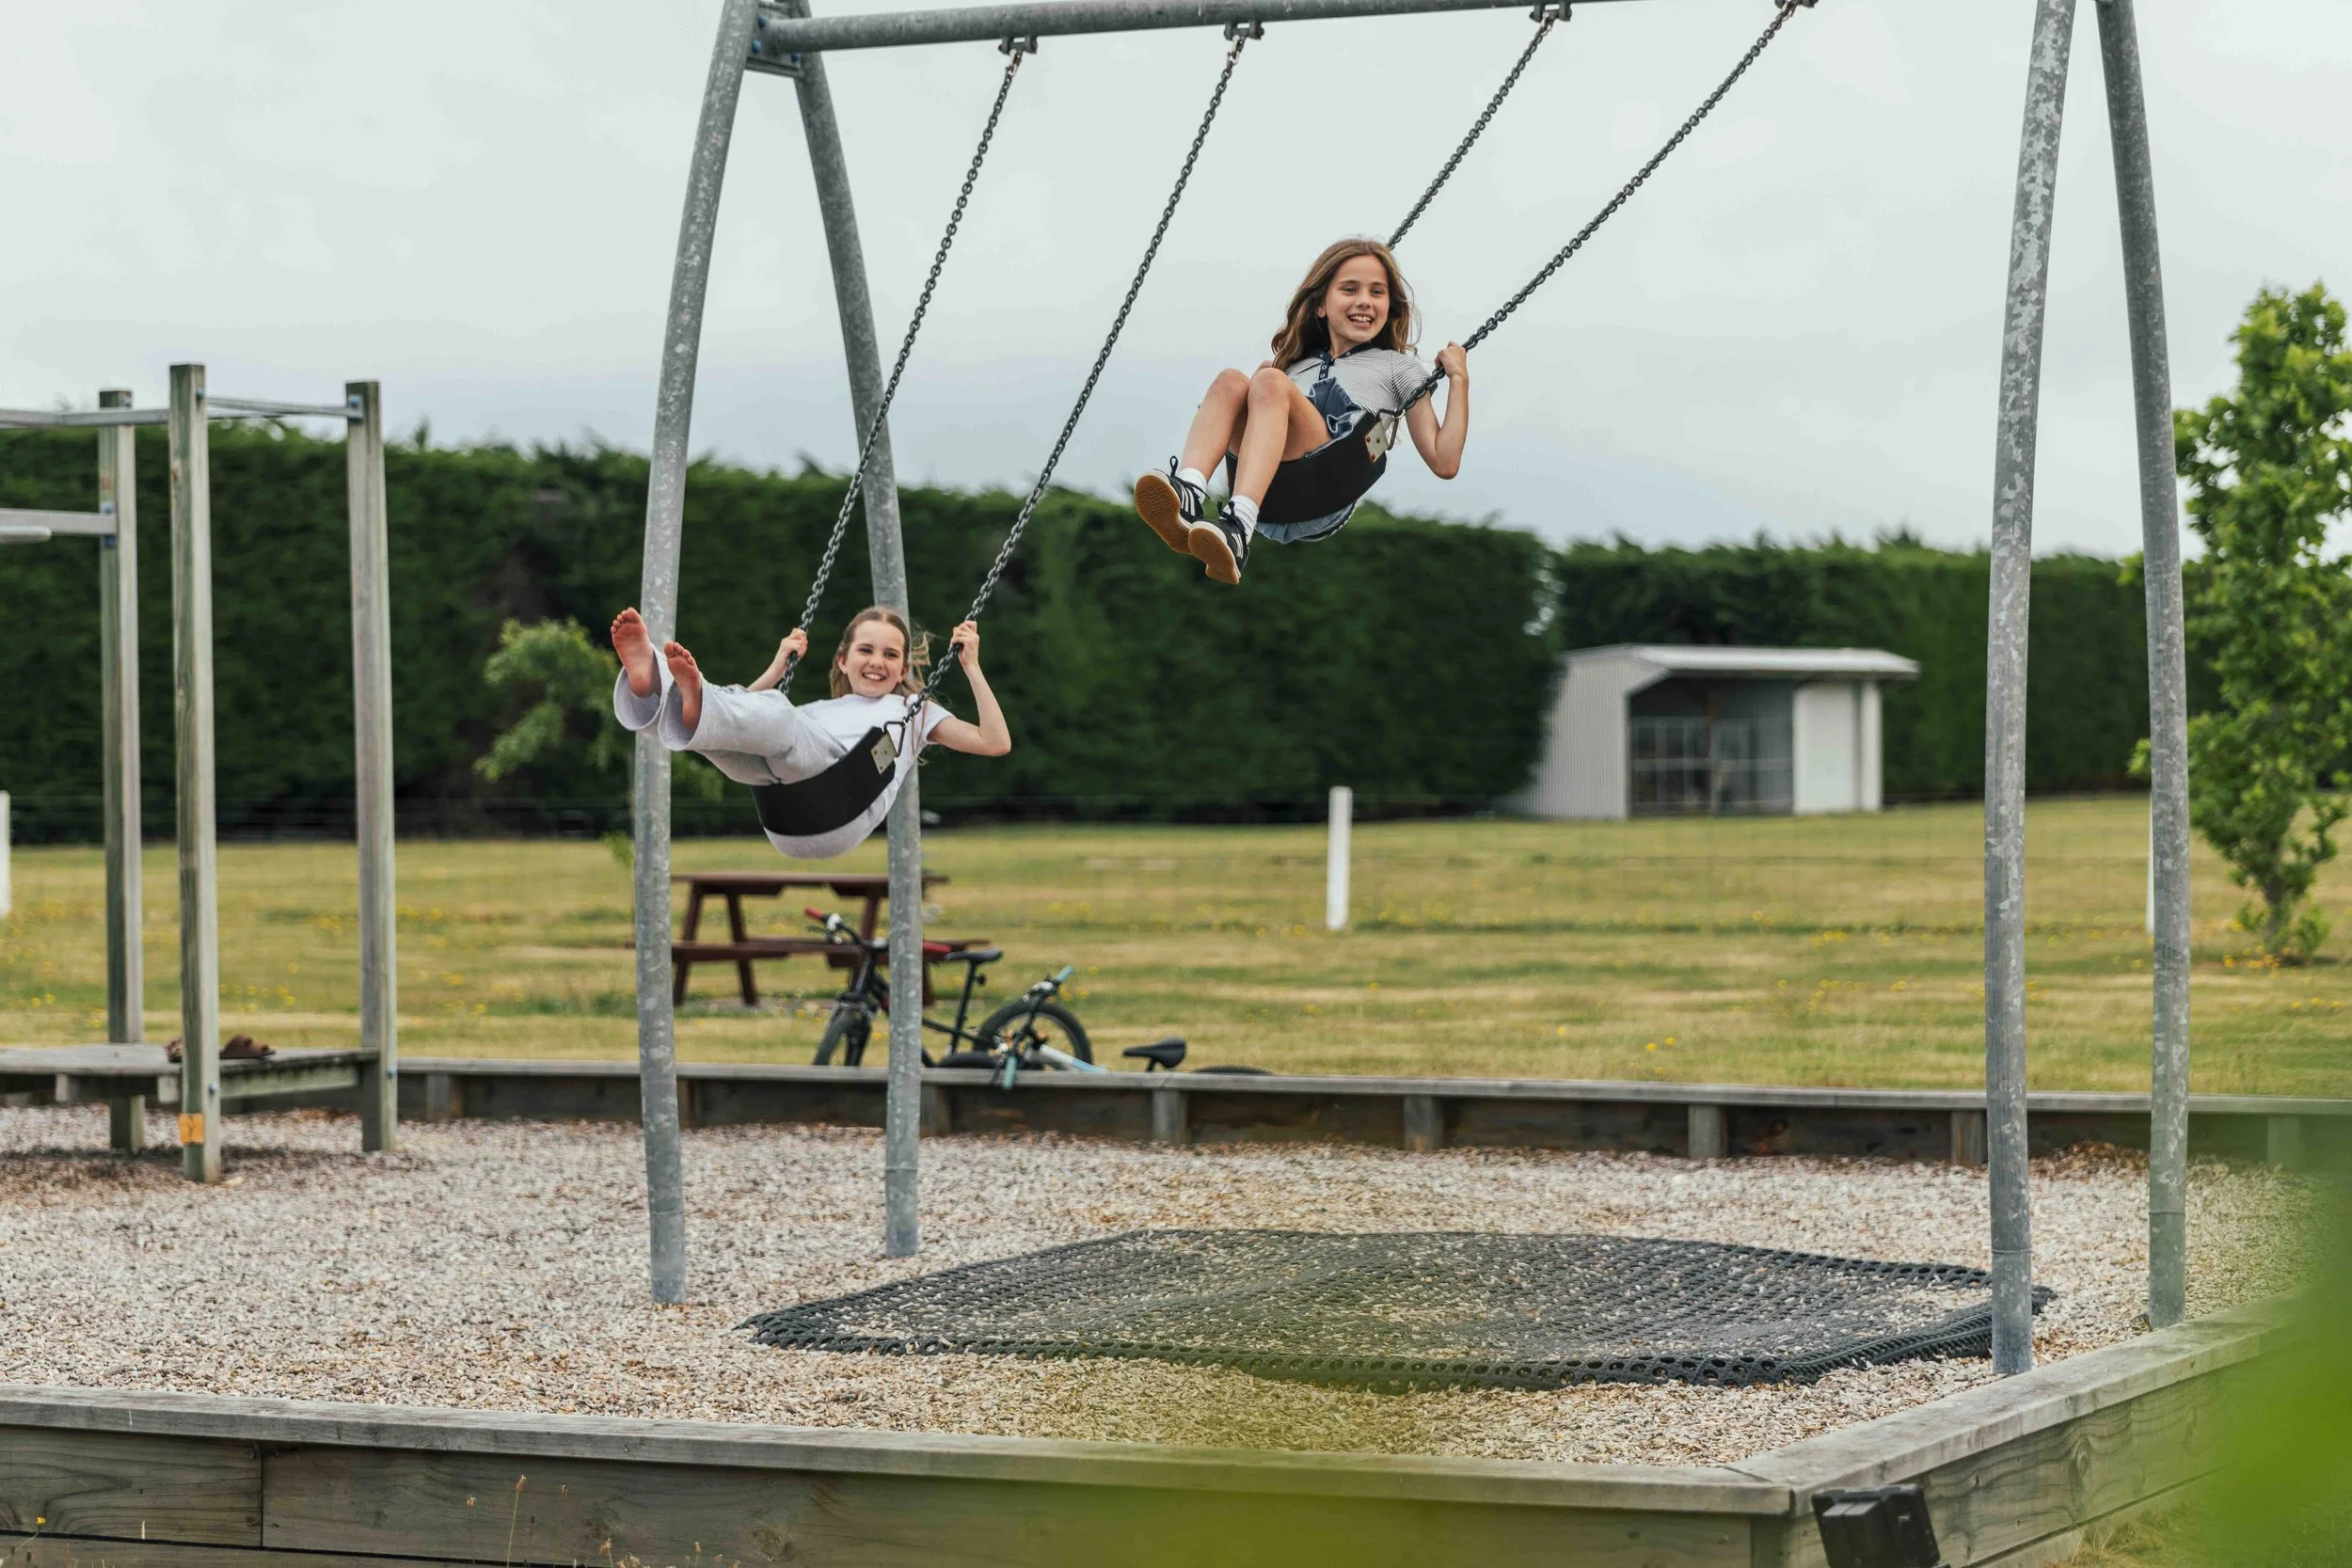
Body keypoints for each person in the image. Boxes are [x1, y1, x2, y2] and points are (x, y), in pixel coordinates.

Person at [1134, 236, 1470, 586]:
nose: (1364, 302)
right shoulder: (1294, 367)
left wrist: (1459, 379)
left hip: (1331, 474)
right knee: (1232, 381)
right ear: (1321, 305)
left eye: (1377, 292)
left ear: (1391, 306)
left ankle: (1238, 526)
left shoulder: (1397, 368)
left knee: (1268, 381)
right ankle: (1189, 491)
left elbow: (1444, 462)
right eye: (1349, 289)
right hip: (1274, 489)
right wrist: (1268, 386)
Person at [609, 604, 1009, 861]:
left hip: (841, 806)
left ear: (904, 670)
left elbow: (995, 742)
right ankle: (652, 689)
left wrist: (971, 666)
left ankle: (670, 684)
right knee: (727, 741)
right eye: (865, 650)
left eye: (891, 655)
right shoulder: (817, 711)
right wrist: (775, 670)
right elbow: (743, 719)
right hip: (787, 818)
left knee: (776, 716)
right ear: (843, 659)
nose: (877, 662)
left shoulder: (912, 710)